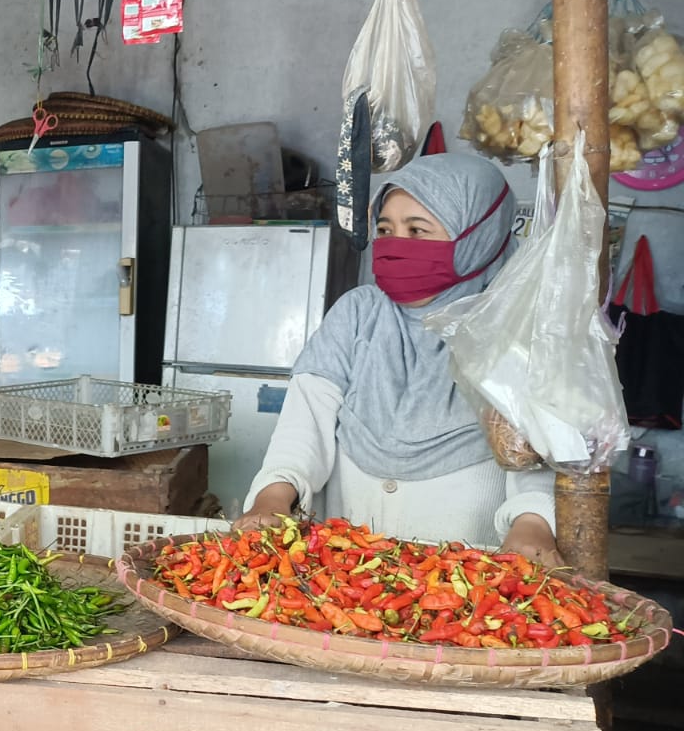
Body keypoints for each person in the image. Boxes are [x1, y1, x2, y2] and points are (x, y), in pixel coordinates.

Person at [236, 153, 561, 565]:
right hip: (346, 569)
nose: (395, 245)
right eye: (386, 229)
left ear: (477, 236)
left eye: (417, 230)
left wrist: (533, 522)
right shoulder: (358, 312)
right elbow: (306, 421)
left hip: (469, 571)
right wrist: (274, 494)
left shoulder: (512, 327)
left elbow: (533, 452)